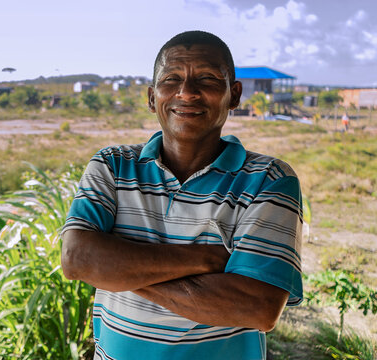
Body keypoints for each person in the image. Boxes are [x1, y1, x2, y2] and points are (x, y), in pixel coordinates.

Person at [61, 30, 303, 360]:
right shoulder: (112, 166)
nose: (187, 93)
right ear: (151, 97)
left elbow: (258, 307)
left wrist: (117, 269)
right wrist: (204, 259)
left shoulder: (269, 180)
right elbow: (77, 259)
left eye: (206, 79)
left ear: (234, 95)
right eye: (171, 79)